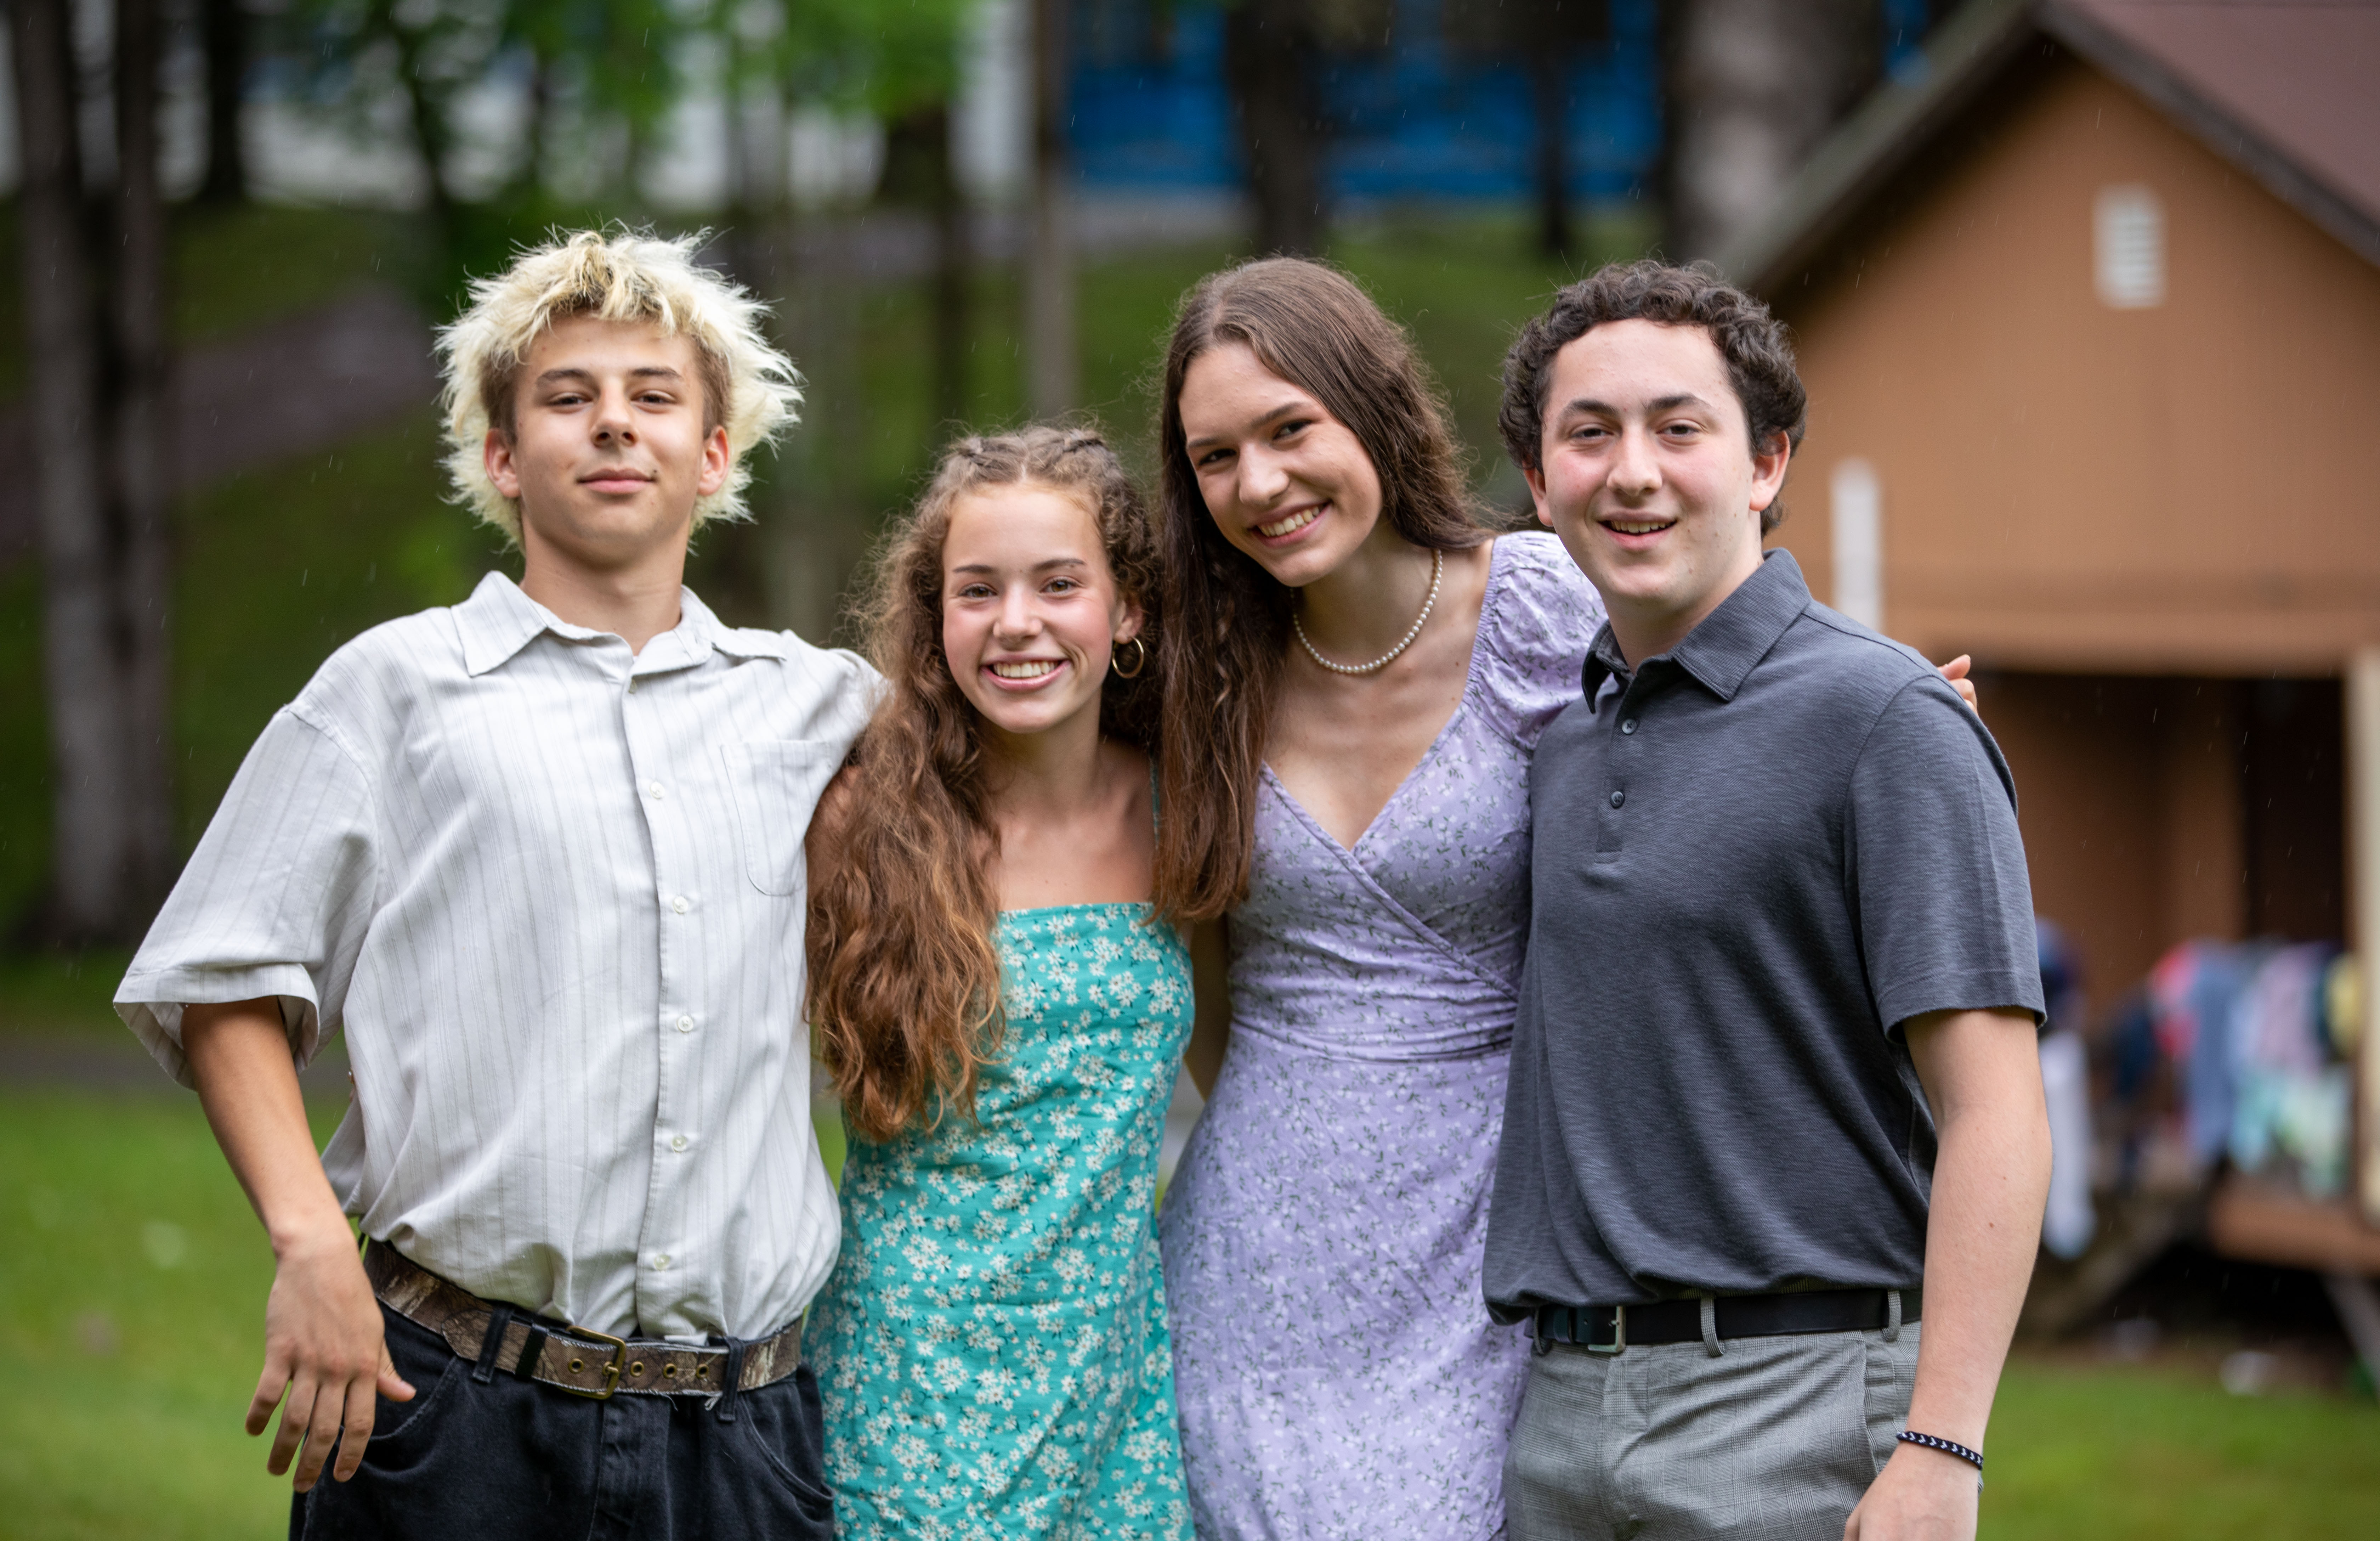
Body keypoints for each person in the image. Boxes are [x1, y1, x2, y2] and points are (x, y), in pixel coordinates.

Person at [1149, 257, 1982, 1540]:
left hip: (1495, 1243)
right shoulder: (1202, 671)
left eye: (1290, 428)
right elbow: (1204, 984)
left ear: (1372, 408)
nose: (1260, 483)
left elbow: (1722, 676)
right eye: (1215, 457)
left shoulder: (1544, 598)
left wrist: (1901, 720)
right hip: (1255, 1259)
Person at [113, 231, 865, 1538]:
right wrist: (307, 1248)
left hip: (745, 1440)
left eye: (654, 397)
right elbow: (223, 978)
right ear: (504, 458)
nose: (614, 426)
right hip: (449, 1415)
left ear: (716, 452)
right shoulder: (394, 693)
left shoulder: (820, 707)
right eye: (569, 399)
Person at [1484, 259, 2051, 1541]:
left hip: (1801, 1413)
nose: (1633, 472)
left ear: (1766, 463)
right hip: (1560, 1420)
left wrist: (1943, 1446)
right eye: (1591, 433)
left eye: (1680, 428)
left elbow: (1997, 1109)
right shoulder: (1563, 741)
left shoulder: (1887, 718)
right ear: (1539, 483)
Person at [803, 428, 1195, 1540]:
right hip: (906, 1379)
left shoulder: (1183, 816)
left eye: (1059, 584)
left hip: (1112, 1388)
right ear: (937, 620)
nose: (1016, 622)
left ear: (1128, 611)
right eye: (978, 591)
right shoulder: (860, 820)